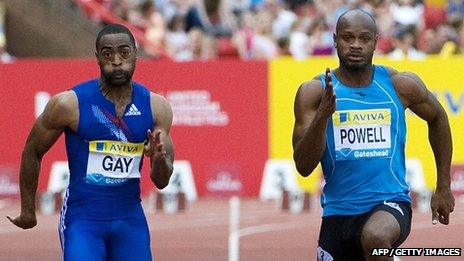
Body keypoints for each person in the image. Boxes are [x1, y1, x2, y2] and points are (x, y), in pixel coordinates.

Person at [292, 9, 454, 261]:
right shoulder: (314, 93)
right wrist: (323, 116)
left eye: (364, 39)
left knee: (376, 239)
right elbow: (303, 166)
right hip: (338, 213)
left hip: (390, 204)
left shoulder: (399, 86)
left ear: (376, 42)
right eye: (348, 38)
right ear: (335, 40)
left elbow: (438, 118)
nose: (356, 45)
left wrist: (443, 185)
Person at [7, 24, 174, 260]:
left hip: (130, 221)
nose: (116, 61)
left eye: (124, 52)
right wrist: (27, 210)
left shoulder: (157, 107)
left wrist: (158, 161)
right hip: (83, 221)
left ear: (136, 54)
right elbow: (32, 151)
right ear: (97, 58)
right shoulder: (69, 105)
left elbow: (162, 181)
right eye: (108, 54)